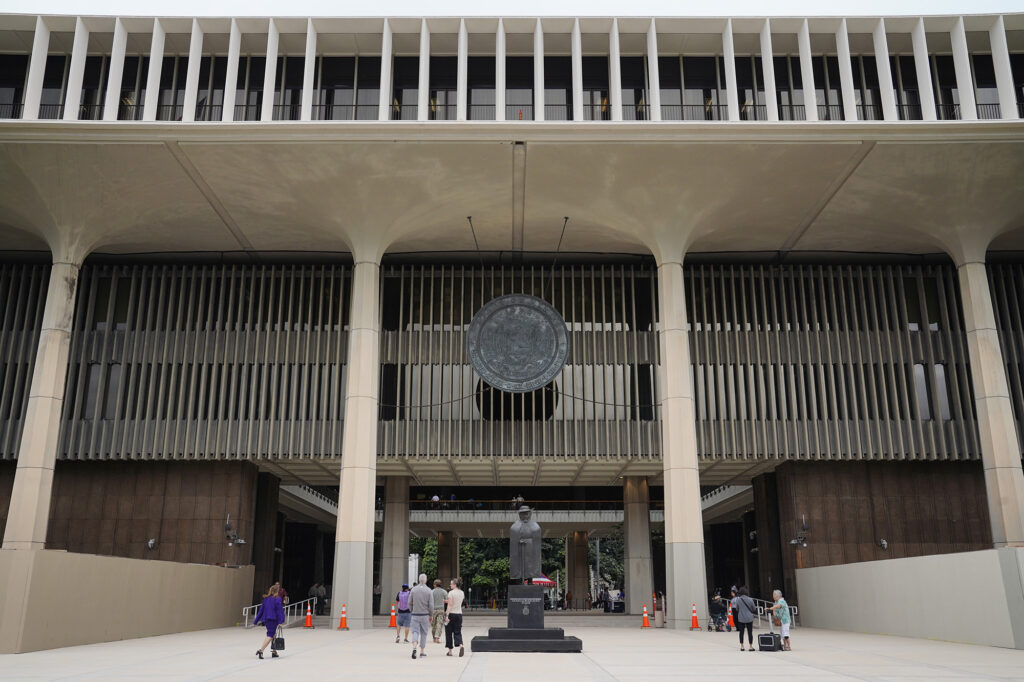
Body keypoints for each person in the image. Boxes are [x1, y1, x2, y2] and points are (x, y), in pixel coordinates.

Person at [254, 584, 285, 659]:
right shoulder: (277, 599)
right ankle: (261, 650)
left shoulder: (266, 599)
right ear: (277, 591)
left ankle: (274, 651)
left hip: (267, 619)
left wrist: (256, 620)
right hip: (273, 619)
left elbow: (261, 610)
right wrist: (280, 621)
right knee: (270, 635)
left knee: (273, 634)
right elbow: (279, 611)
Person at [409, 573, 433, 659]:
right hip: (425, 615)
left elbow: (409, 602)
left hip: (415, 614)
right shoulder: (429, 590)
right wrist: (431, 614)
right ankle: (422, 652)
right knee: (424, 633)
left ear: (419, 580)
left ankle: (414, 647)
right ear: (425, 580)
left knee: (415, 631)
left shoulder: (413, 590)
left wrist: (412, 610)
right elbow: (431, 605)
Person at [444, 577, 465, 657]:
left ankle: (450, 651)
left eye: (451, 584)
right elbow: (458, 602)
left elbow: (450, 605)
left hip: (451, 614)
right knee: (457, 631)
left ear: (455, 585)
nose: (450, 585)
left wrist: (446, 615)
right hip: (459, 614)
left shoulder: (451, 593)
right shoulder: (462, 593)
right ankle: (461, 646)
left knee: (449, 632)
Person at [731, 586, 757, 651]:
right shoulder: (750, 599)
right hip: (749, 618)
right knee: (750, 632)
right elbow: (754, 609)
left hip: (741, 618)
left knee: (741, 632)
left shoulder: (738, 600)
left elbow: (737, 609)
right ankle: (750, 646)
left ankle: (742, 646)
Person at [430, 579, 447, 643]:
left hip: (433, 610)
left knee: (433, 625)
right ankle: (437, 637)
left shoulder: (432, 592)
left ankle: (434, 638)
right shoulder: (444, 591)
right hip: (441, 610)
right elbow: (447, 600)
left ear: (435, 585)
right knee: (439, 624)